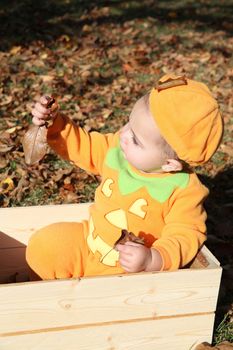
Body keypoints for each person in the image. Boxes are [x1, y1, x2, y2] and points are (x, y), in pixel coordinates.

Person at [26, 73, 223, 279]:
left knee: (115, 296)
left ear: (168, 164)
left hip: (129, 270)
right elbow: (84, 146)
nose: (124, 135)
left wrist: (154, 259)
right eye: (129, 124)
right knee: (44, 245)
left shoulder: (183, 191)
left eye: (137, 140)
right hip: (90, 242)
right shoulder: (117, 150)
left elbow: (186, 233)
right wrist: (55, 123)